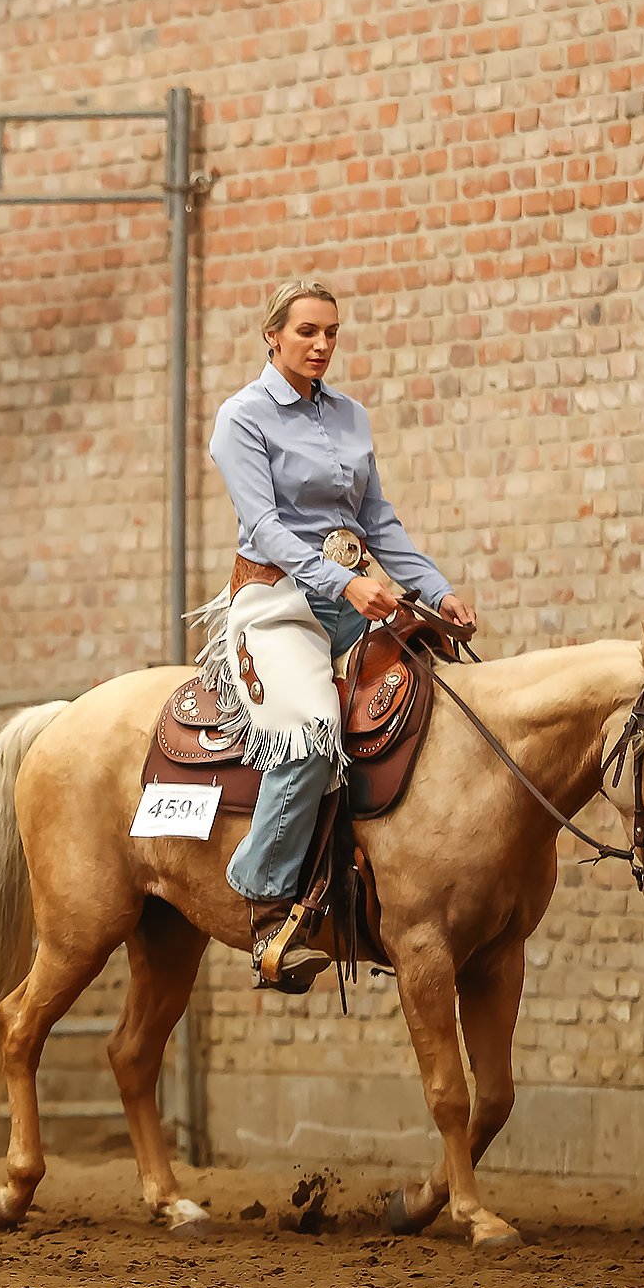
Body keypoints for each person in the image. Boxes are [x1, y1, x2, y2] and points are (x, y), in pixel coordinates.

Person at [205, 280, 477, 992]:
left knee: (439, 706)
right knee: (311, 733)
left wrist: (437, 590)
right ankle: (265, 902)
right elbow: (265, 528)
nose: (321, 344)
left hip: (355, 604)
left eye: (331, 332)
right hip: (278, 605)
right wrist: (345, 584)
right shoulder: (240, 417)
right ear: (272, 336)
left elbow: (377, 521)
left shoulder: (351, 416)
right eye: (306, 332)